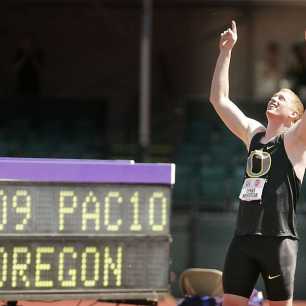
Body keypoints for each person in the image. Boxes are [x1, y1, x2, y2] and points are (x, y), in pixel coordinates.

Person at [209, 20, 306, 306]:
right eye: (274, 96)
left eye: (283, 98)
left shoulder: (296, 140)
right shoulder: (254, 133)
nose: (275, 99)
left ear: (294, 117)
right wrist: (225, 52)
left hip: (278, 241)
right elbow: (219, 100)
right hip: (244, 239)